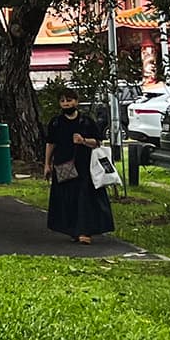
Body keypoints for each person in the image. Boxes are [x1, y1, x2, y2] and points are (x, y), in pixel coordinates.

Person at [43, 87, 115, 244]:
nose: (66, 104)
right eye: (62, 101)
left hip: (85, 166)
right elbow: (51, 143)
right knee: (67, 197)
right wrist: (47, 164)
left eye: (69, 100)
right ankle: (72, 229)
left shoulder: (87, 122)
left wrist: (83, 140)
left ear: (76, 101)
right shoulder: (56, 123)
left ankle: (84, 231)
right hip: (64, 164)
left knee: (85, 197)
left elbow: (97, 142)